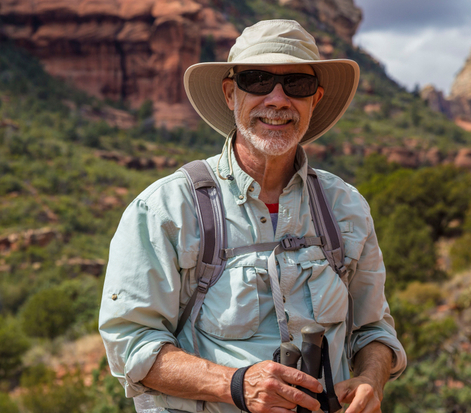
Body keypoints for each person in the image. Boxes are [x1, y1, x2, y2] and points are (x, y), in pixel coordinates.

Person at [99, 19, 406, 413]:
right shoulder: (166, 209)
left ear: (316, 98)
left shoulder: (346, 206)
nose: (277, 99)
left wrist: (370, 380)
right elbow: (130, 345)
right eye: (258, 80)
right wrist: (237, 384)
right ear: (231, 93)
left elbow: (374, 331)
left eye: (297, 84)